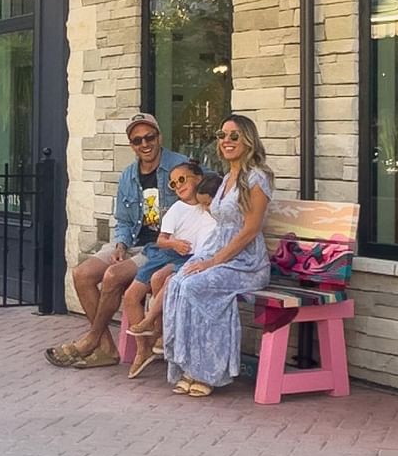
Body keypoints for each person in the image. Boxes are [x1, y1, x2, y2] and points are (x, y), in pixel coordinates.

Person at [45, 113, 188, 369]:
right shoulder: (128, 176)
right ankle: (107, 348)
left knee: (112, 276)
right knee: (82, 274)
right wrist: (120, 244)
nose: (144, 144)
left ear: (159, 137)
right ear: (131, 144)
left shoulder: (180, 166)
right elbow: (122, 220)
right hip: (132, 240)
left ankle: (91, 341)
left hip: (160, 247)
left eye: (149, 137)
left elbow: (207, 193)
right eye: (137, 140)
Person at [162, 114, 274, 397]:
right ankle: (188, 364)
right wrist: (205, 259)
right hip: (220, 254)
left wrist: (212, 262)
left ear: (248, 140)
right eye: (221, 135)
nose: (226, 141)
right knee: (178, 282)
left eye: (234, 136)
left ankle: (208, 371)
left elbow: (249, 231)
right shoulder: (226, 178)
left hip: (246, 263)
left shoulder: (257, 178)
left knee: (197, 286)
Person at [121, 165, 220, 379]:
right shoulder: (177, 208)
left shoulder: (209, 207)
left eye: (182, 179)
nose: (178, 186)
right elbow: (161, 240)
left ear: (198, 178)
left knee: (159, 279)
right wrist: (174, 243)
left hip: (187, 259)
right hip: (166, 254)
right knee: (130, 296)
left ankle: (159, 334)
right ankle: (143, 348)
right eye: (173, 184)